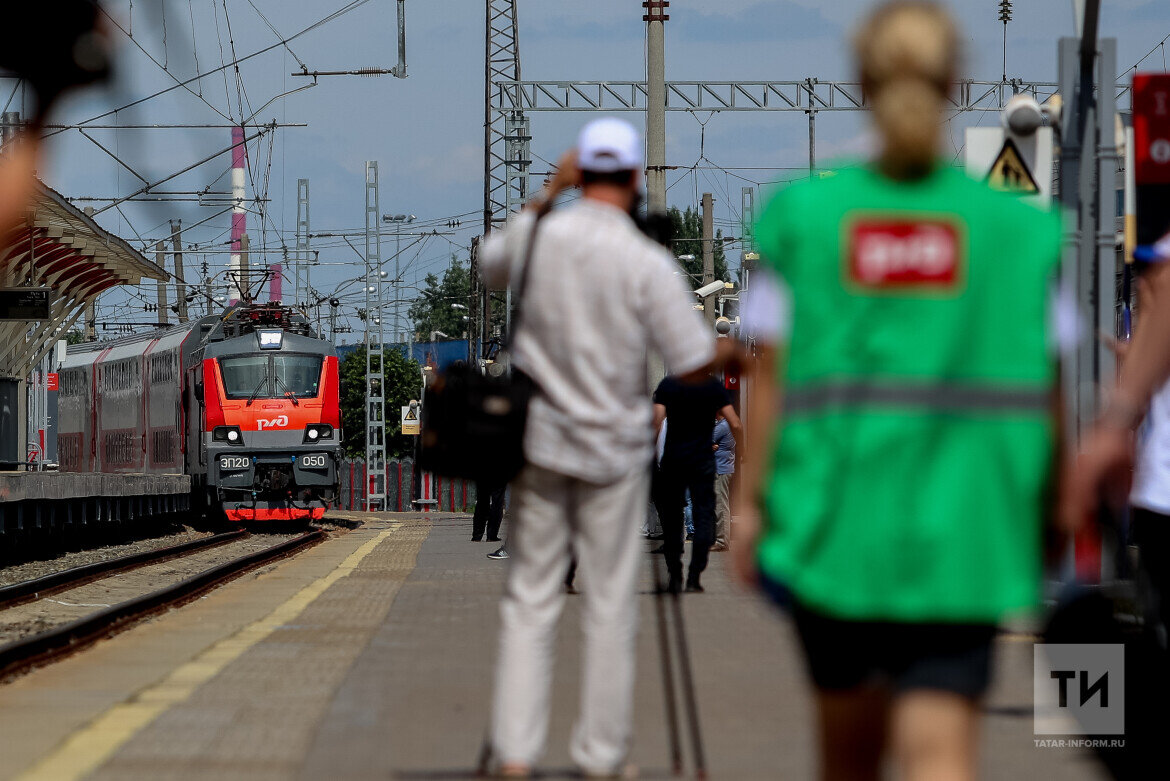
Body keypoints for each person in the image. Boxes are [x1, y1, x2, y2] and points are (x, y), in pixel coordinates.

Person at [732, 3, 1064, 780]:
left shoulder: (805, 219)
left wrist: (749, 507)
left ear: (860, 83)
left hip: (833, 529)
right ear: (956, 82)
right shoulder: (1015, 232)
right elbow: (1046, 388)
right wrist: (1052, 506)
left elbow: (767, 381)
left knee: (846, 760)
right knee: (941, 755)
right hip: (968, 528)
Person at [478, 117, 720, 778]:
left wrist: (545, 195)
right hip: (613, 454)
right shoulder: (645, 258)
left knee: (530, 601)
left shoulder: (540, 237)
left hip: (540, 445)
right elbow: (692, 356)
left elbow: (488, 263)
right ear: (638, 178)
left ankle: (518, 755)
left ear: (579, 174)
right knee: (611, 607)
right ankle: (599, 756)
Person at [653, 374, 741, 593]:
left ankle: (675, 575)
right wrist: (743, 450)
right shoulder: (712, 386)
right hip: (702, 461)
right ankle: (694, 577)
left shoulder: (669, 385)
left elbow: (655, 422)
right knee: (703, 516)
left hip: (674, 460)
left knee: (673, 519)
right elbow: (736, 423)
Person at [711, 410, 736, 551]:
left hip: (721, 470)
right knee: (720, 505)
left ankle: (722, 541)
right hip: (722, 469)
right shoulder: (724, 425)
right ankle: (720, 539)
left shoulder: (722, 426)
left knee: (721, 506)